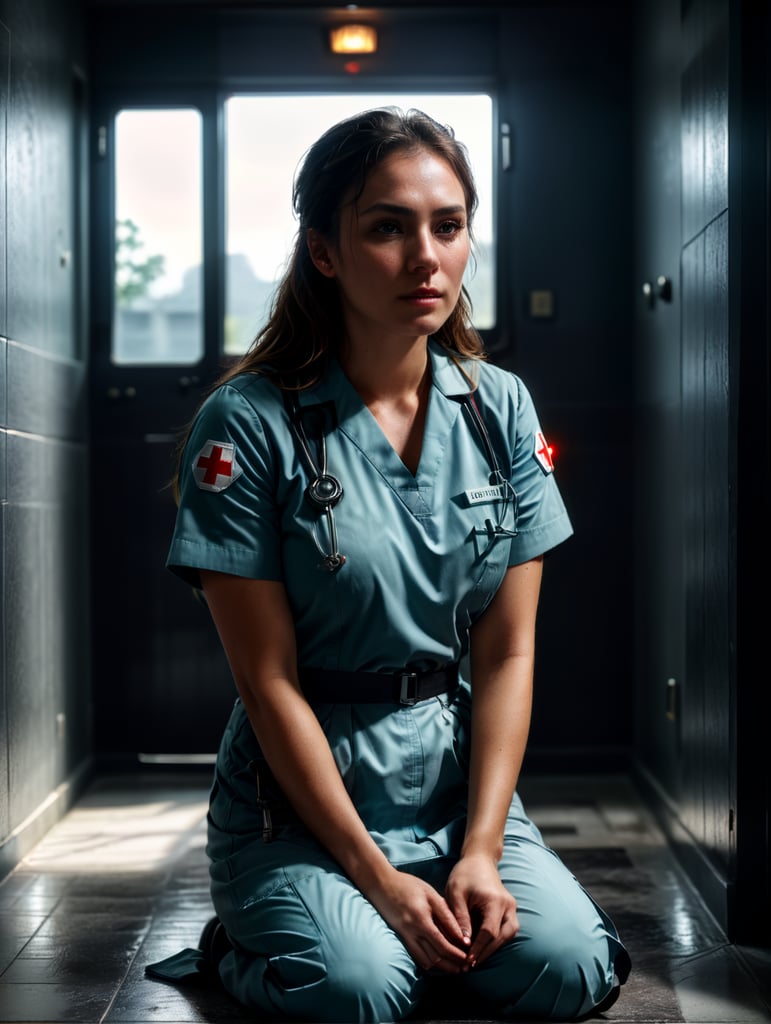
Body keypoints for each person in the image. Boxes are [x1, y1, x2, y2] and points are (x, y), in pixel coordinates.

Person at [146, 106, 630, 1022]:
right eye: (386, 227)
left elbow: (506, 654)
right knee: (358, 988)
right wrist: (376, 877)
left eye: (448, 226)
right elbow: (267, 679)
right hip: (295, 803)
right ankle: (236, 949)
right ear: (324, 251)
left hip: (449, 791)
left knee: (567, 969)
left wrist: (479, 848)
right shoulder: (248, 424)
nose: (425, 257)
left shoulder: (499, 411)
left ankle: (427, 910)